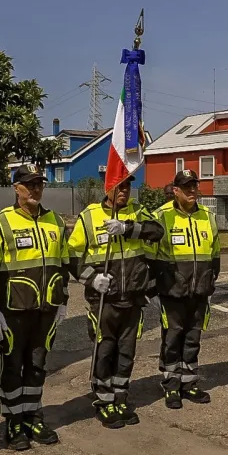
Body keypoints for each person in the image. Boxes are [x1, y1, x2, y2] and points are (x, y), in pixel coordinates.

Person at [0, 164, 72, 450]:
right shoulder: (0, 224)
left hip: (46, 310)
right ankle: (13, 421)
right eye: (29, 184)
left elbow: (63, 263)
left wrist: (63, 300)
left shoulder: (56, 222)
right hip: (13, 311)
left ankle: (33, 415)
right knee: (12, 367)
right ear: (16, 187)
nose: (35, 189)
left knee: (37, 366)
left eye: (39, 184)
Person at [67, 176, 164, 428]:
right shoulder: (89, 216)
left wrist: (127, 227)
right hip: (105, 299)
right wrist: (91, 279)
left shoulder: (138, 211)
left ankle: (120, 397)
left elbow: (158, 232)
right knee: (105, 350)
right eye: (119, 186)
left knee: (126, 352)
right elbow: (72, 255)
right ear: (106, 187)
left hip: (133, 297)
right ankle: (103, 401)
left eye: (127, 186)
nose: (124, 190)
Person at [151, 169, 220, 408]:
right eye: (186, 187)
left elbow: (215, 253)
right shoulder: (161, 216)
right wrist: (156, 288)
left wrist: (210, 281)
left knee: (193, 337)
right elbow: (150, 256)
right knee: (172, 338)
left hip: (199, 291)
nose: (192, 191)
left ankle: (189, 383)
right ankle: (171, 385)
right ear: (175, 190)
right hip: (172, 292)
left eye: (194, 186)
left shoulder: (207, 216)